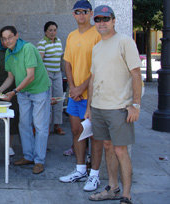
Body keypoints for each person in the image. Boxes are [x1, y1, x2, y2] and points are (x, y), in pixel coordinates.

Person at [86, 5, 142, 204]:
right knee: (108, 147)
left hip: (119, 108)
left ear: (114, 20)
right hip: (99, 107)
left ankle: (126, 195)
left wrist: (135, 104)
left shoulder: (125, 42)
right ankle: (112, 188)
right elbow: (93, 79)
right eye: (98, 19)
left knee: (120, 150)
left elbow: (136, 74)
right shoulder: (97, 47)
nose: (101, 23)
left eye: (105, 19)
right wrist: (89, 108)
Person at [0, 26, 51, 174]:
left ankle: (39, 161)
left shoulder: (28, 48)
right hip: (23, 92)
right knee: (24, 124)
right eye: (4, 39)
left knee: (40, 126)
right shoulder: (8, 53)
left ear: (17, 36)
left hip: (39, 90)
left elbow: (30, 76)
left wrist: (14, 92)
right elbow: (11, 77)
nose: (7, 41)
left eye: (10, 37)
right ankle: (28, 156)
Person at [58, 0, 103, 192]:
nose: (81, 15)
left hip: (93, 95)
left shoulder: (98, 35)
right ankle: (80, 170)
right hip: (75, 95)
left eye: (84, 11)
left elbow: (98, 68)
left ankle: (94, 175)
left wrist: (81, 88)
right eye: (77, 12)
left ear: (91, 13)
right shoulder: (71, 36)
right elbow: (67, 63)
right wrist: (73, 87)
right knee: (77, 132)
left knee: (95, 136)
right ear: (73, 15)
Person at [37, 21, 65, 135]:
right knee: (48, 100)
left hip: (57, 73)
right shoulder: (42, 43)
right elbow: (40, 60)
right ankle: (46, 126)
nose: (53, 32)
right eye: (50, 30)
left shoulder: (58, 41)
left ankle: (57, 125)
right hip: (47, 73)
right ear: (45, 31)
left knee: (58, 99)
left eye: (54, 30)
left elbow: (61, 57)